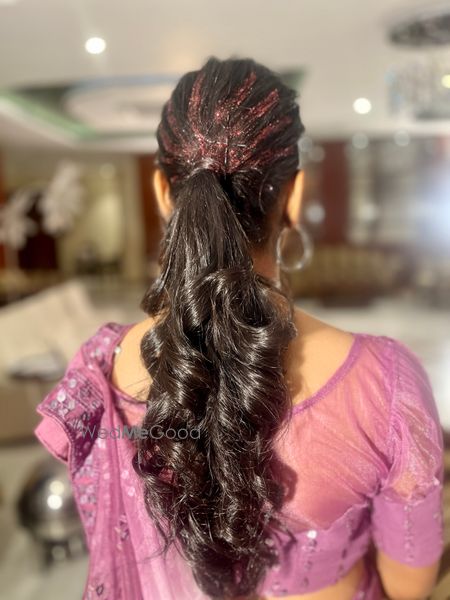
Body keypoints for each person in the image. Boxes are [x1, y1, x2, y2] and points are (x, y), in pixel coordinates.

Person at [34, 57, 444, 600]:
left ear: (163, 194)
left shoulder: (103, 367)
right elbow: (409, 584)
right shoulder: (388, 383)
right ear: (294, 195)